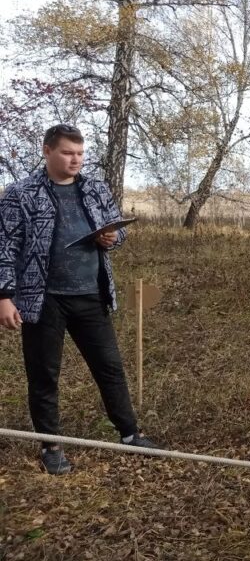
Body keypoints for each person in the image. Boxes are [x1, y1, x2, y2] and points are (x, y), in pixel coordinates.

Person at [0, 124, 159, 475]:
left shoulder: (95, 188)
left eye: (80, 153)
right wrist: (4, 296)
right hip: (42, 298)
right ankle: (51, 445)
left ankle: (130, 434)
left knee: (110, 367)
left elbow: (118, 231)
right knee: (44, 374)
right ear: (47, 151)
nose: (76, 160)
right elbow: (6, 246)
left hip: (90, 293)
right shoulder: (20, 194)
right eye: (68, 153)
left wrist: (112, 239)